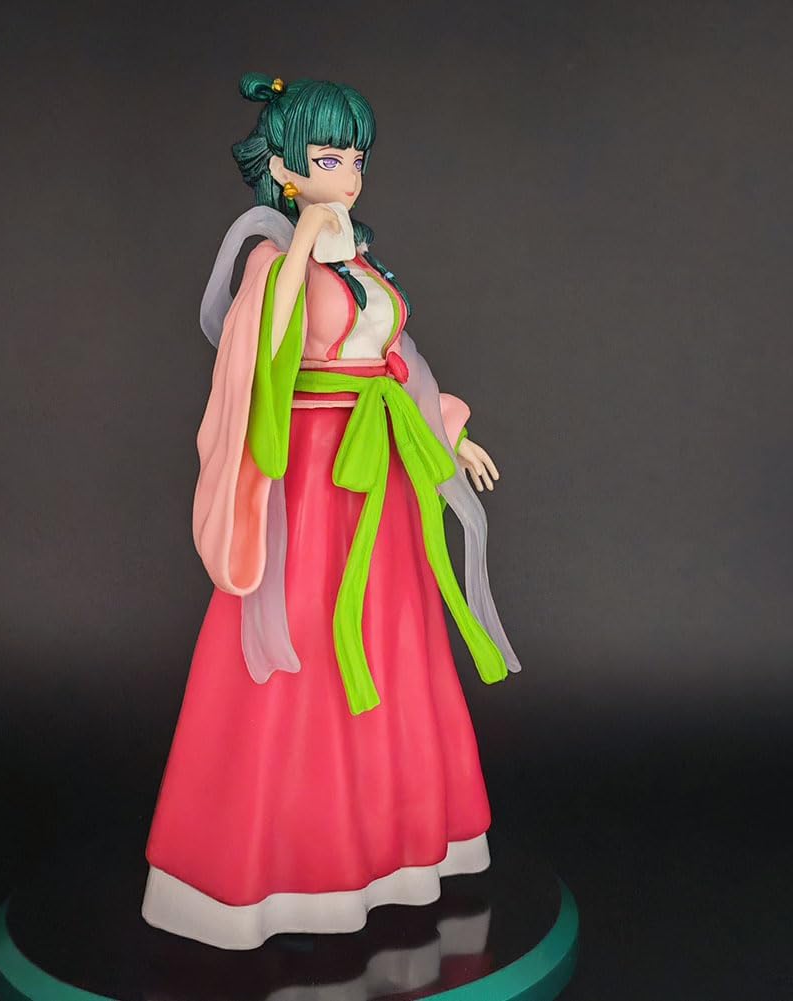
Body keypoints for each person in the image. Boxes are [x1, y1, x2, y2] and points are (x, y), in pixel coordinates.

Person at [142, 72, 522, 950]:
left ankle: (393, 849)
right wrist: (302, 242)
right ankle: (277, 870)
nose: (347, 176)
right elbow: (258, 357)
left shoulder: (359, 263)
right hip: (312, 479)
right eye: (326, 159)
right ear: (282, 166)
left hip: (379, 474)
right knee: (306, 641)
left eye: (355, 159)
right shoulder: (270, 260)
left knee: (393, 642)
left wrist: (446, 430)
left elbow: (394, 359)